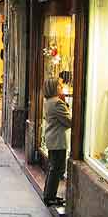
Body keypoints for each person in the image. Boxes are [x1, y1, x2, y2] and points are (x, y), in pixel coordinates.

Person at [42, 77, 71, 206]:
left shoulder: (48, 101)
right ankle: (50, 197)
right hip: (57, 140)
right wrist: (67, 106)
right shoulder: (57, 102)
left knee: (53, 168)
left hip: (52, 139)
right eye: (59, 86)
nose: (62, 87)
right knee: (57, 169)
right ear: (55, 88)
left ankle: (49, 194)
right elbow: (69, 121)